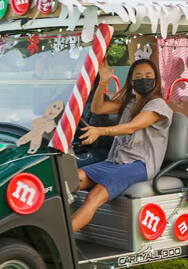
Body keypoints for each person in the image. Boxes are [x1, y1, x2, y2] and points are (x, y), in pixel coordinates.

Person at [72, 58, 173, 232]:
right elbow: (98, 109)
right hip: (115, 161)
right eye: (139, 76)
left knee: (95, 196)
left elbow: (132, 127)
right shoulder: (130, 102)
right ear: (132, 81)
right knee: (69, 179)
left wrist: (99, 131)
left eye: (148, 76)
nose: (144, 80)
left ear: (156, 80)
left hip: (139, 165)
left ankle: (60, 241)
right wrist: (103, 82)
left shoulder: (158, 105)